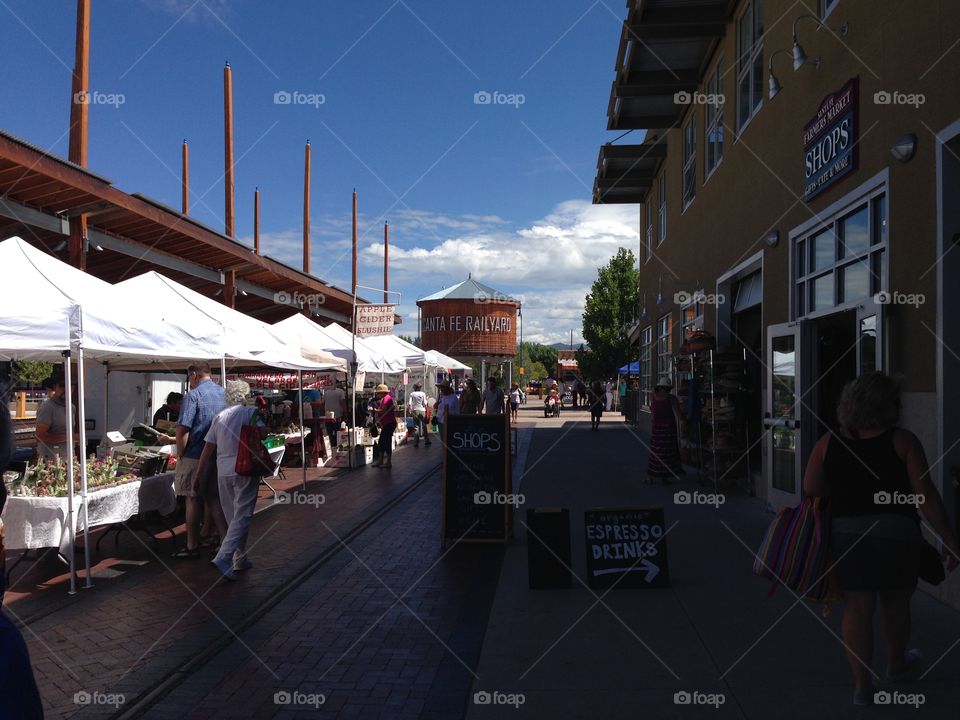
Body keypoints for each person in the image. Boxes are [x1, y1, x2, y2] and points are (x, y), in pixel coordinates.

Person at [802, 372, 959, 706]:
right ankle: (897, 665)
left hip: (847, 535)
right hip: (897, 535)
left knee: (857, 608)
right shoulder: (902, 441)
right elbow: (925, 495)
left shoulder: (828, 442)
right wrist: (948, 537)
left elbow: (811, 489)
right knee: (896, 605)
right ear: (886, 405)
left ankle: (862, 687)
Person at [196, 380, 264, 581]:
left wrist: (199, 473)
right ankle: (224, 556)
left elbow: (208, 447)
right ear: (244, 395)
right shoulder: (249, 413)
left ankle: (240, 558)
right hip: (245, 467)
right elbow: (263, 432)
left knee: (232, 515)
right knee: (242, 516)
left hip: (223, 470)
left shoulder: (219, 416)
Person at [172, 362, 227, 559]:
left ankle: (192, 545)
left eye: (189, 377)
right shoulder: (223, 393)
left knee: (192, 498)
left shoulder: (192, 396)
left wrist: (181, 453)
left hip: (195, 454)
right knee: (214, 499)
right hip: (219, 455)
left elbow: (183, 429)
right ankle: (224, 541)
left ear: (193, 375)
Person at [645, 376, 682, 483]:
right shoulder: (671, 398)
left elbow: (653, 410)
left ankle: (651, 476)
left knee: (656, 452)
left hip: (656, 428)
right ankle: (665, 476)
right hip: (669, 428)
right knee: (668, 452)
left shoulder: (653, 397)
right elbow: (678, 414)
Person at [34, 372, 77, 461]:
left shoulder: (72, 407)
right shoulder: (48, 406)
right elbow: (40, 435)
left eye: (70, 386)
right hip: (50, 459)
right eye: (62, 386)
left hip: (67, 457)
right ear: (55, 387)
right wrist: (70, 437)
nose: (66, 389)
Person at [372, 384, 397, 468]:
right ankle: (381, 460)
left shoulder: (387, 399)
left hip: (389, 423)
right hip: (386, 423)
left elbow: (383, 410)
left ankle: (388, 462)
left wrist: (375, 410)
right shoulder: (384, 399)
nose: (378, 394)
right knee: (382, 442)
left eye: (379, 393)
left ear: (382, 392)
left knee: (386, 442)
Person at [321, 382, 347, 449]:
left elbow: (323, 403)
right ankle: (337, 446)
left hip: (328, 415)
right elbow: (343, 403)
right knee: (338, 432)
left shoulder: (326, 392)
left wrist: (323, 412)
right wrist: (345, 412)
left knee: (329, 432)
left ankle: (331, 446)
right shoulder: (340, 391)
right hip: (337, 415)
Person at [407, 383, 431, 447]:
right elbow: (425, 403)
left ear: (415, 388)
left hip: (415, 410)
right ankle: (426, 440)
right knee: (424, 426)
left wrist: (409, 410)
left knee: (416, 427)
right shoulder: (423, 394)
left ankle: (416, 442)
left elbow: (409, 403)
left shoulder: (412, 394)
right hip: (422, 410)